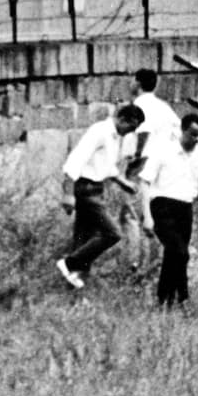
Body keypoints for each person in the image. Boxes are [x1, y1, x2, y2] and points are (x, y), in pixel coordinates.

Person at [138, 112, 198, 307]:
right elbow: (145, 181)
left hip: (184, 210)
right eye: (192, 134)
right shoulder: (164, 151)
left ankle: (168, 300)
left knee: (174, 254)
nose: (196, 139)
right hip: (162, 206)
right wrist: (147, 216)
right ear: (182, 130)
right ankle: (180, 296)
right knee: (180, 253)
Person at [56, 103, 145, 289]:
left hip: (96, 188)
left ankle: (73, 283)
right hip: (85, 188)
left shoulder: (115, 136)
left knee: (83, 237)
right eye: (131, 127)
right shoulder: (100, 131)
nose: (130, 132)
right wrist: (68, 193)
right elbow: (75, 160)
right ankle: (69, 264)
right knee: (112, 233)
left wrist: (123, 183)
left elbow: (106, 165)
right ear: (123, 119)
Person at [119, 69, 181, 277]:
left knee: (131, 214)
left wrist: (137, 155)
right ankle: (153, 263)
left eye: (132, 80)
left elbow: (143, 131)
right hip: (162, 166)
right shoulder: (164, 107)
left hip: (142, 164)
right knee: (152, 213)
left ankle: (133, 264)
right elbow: (178, 132)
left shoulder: (139, 105)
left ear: (138, 83)